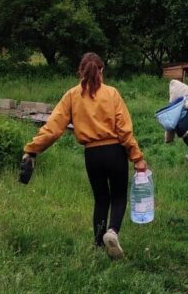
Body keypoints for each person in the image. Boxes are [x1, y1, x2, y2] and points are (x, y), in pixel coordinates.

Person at [21, 52, 147, 258]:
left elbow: (53, 128)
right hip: (115, 151)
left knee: (100, 199)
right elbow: (124, 130)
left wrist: (32, 149)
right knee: (118, 197)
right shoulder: (112, 93)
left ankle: (98, 244)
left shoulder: (72, 95)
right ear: (102, 71)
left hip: (92, 155)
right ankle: (113, 231)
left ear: (80, 72)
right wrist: (137, 157)